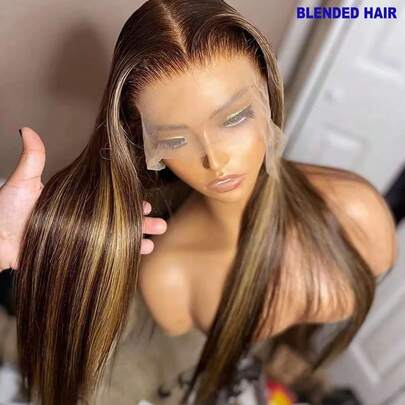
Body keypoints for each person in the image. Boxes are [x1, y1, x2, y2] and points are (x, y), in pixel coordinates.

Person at [1, 1, 397, 404]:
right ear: (148, 143)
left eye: (234, 118)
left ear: (267, 91)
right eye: (175, 139)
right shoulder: (168, 275)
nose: (214, 160)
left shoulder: (356, 212)